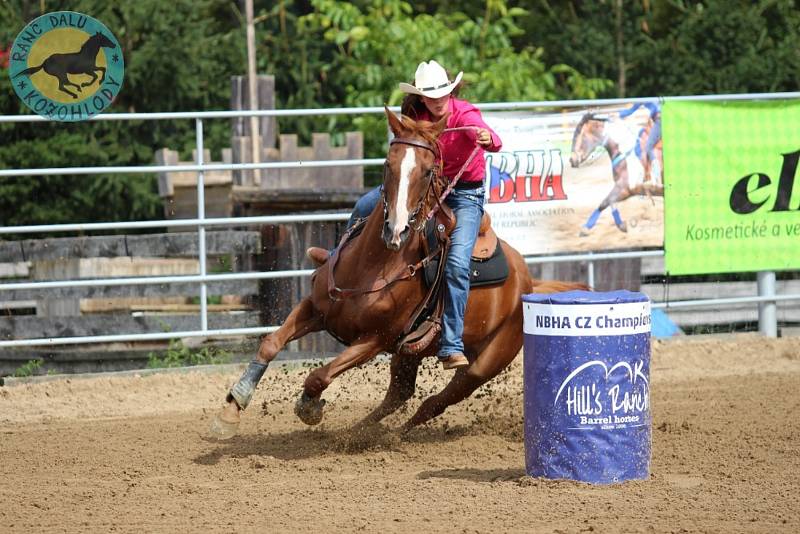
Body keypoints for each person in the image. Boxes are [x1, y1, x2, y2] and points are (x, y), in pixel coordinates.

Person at [307, 60, 502, 370]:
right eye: (430, 95)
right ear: (421, 97)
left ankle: (451, 342)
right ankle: (336, 260)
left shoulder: (465, 115)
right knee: (364, 207)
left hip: (464, 194)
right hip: (425, 188)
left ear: (450, 92)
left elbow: (493, 140)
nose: (437, 100)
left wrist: (486, 138)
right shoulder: (417, 117)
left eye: (442, 93)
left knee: (456, 261)